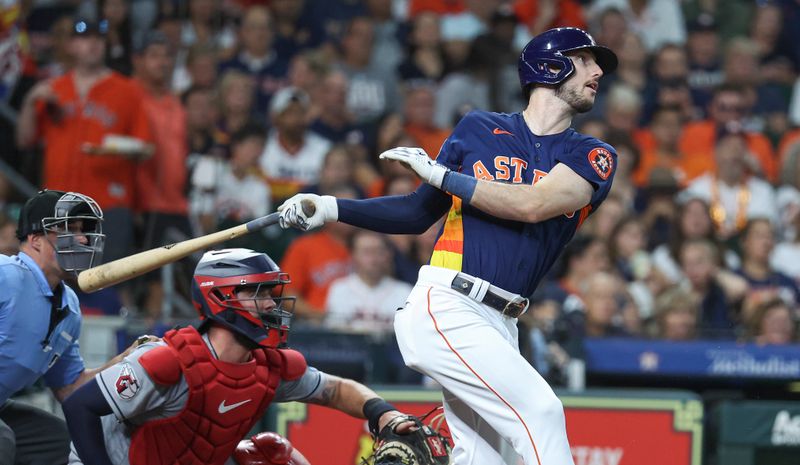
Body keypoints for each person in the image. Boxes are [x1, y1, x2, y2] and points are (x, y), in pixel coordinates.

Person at [279, 27, 619, 465]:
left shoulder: (593, 154)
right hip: (449, 304)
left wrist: (441, 176)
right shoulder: (479, 128)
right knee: (542, 412)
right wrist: (328, 207)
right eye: (587, 59)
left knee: (482, 459)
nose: (597, 72)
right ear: (549, 65)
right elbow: (416, 212)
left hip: (502, 322)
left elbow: (534, 204)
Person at [62, 248, 410, 465]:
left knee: (273, 455)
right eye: (259, 293)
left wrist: (384, 414)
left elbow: (335, 390)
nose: (272, 304)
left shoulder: (269, 367)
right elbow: (79, 406)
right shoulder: (167, 360)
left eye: (272, 293)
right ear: (221, 298)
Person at [0, 190, 145, 465]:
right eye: (68, 229)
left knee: (62, 442)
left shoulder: (70, 305)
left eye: (82, 230)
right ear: (35, 240)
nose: (81, 238)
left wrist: (124, 361)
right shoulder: (6, 274)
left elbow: (70, 388)